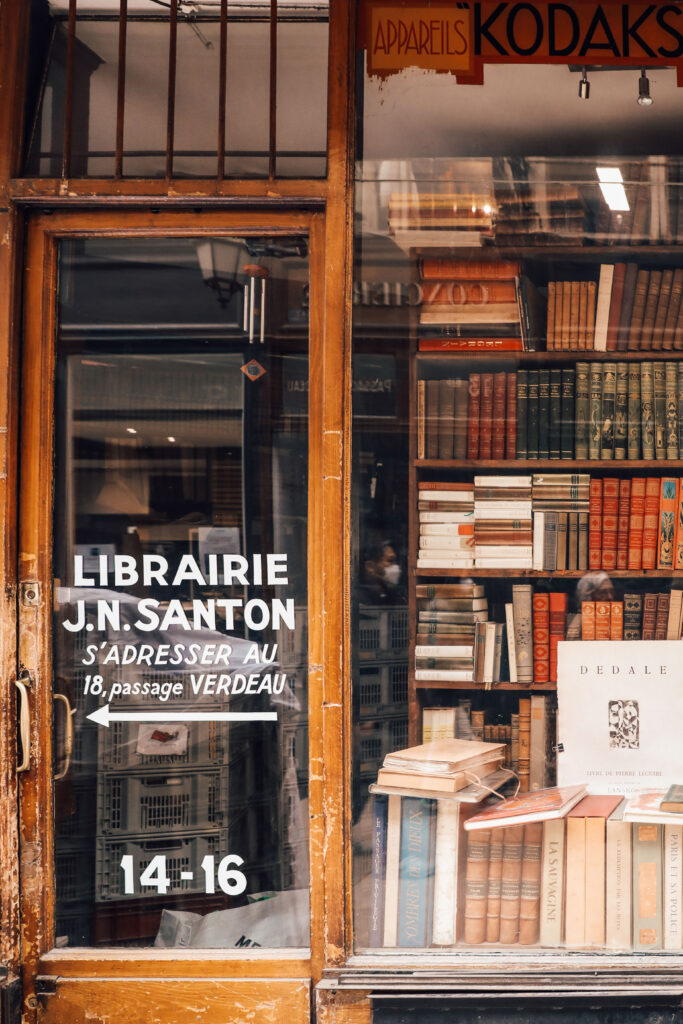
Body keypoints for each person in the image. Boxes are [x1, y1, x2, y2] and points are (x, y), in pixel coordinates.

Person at [358, 539, 405, 604]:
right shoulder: (359, 596)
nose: (396, 569)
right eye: (388, 561)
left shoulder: (396, 595)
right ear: (370, 566)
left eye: (394, 562)